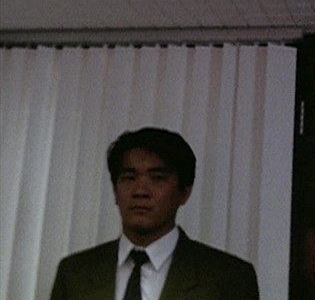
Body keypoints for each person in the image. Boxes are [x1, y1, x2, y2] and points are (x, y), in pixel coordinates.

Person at [50, 127, 259, 300]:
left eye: (158, 178)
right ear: (115, 190)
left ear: (184, 192)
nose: (140, 191)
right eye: (129, 178)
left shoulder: (229, 278)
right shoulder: (74, 273)